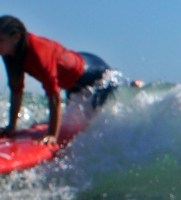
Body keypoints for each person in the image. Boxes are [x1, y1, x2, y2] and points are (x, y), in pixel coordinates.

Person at [0, 16, 113, 146]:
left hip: (93, 74)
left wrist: (52, 135)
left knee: (92, 122)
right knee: (73, 121)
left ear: (16, 37)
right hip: (72, 81)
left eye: (0, 40)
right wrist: (11, 127)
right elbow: (16, 91)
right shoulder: (9, 54)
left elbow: (54, 96)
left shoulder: (38, 52)